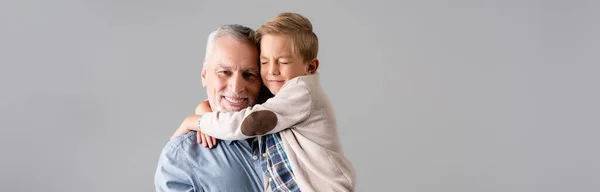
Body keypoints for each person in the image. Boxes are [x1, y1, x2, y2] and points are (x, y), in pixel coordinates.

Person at [174, 12, 356, 192]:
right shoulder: (278, 98)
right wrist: (204, 108)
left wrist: (197, 121)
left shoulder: (301, 91)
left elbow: (250, 122)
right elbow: (237, 102)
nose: (272, 71)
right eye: (264, 62)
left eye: (283, 62)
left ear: (310, 67)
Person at [154, 24, 268, 192]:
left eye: (249, 75)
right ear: (204, 75)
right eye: (224, 72)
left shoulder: (289, 132)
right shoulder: (180, 158)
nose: (237, 88)